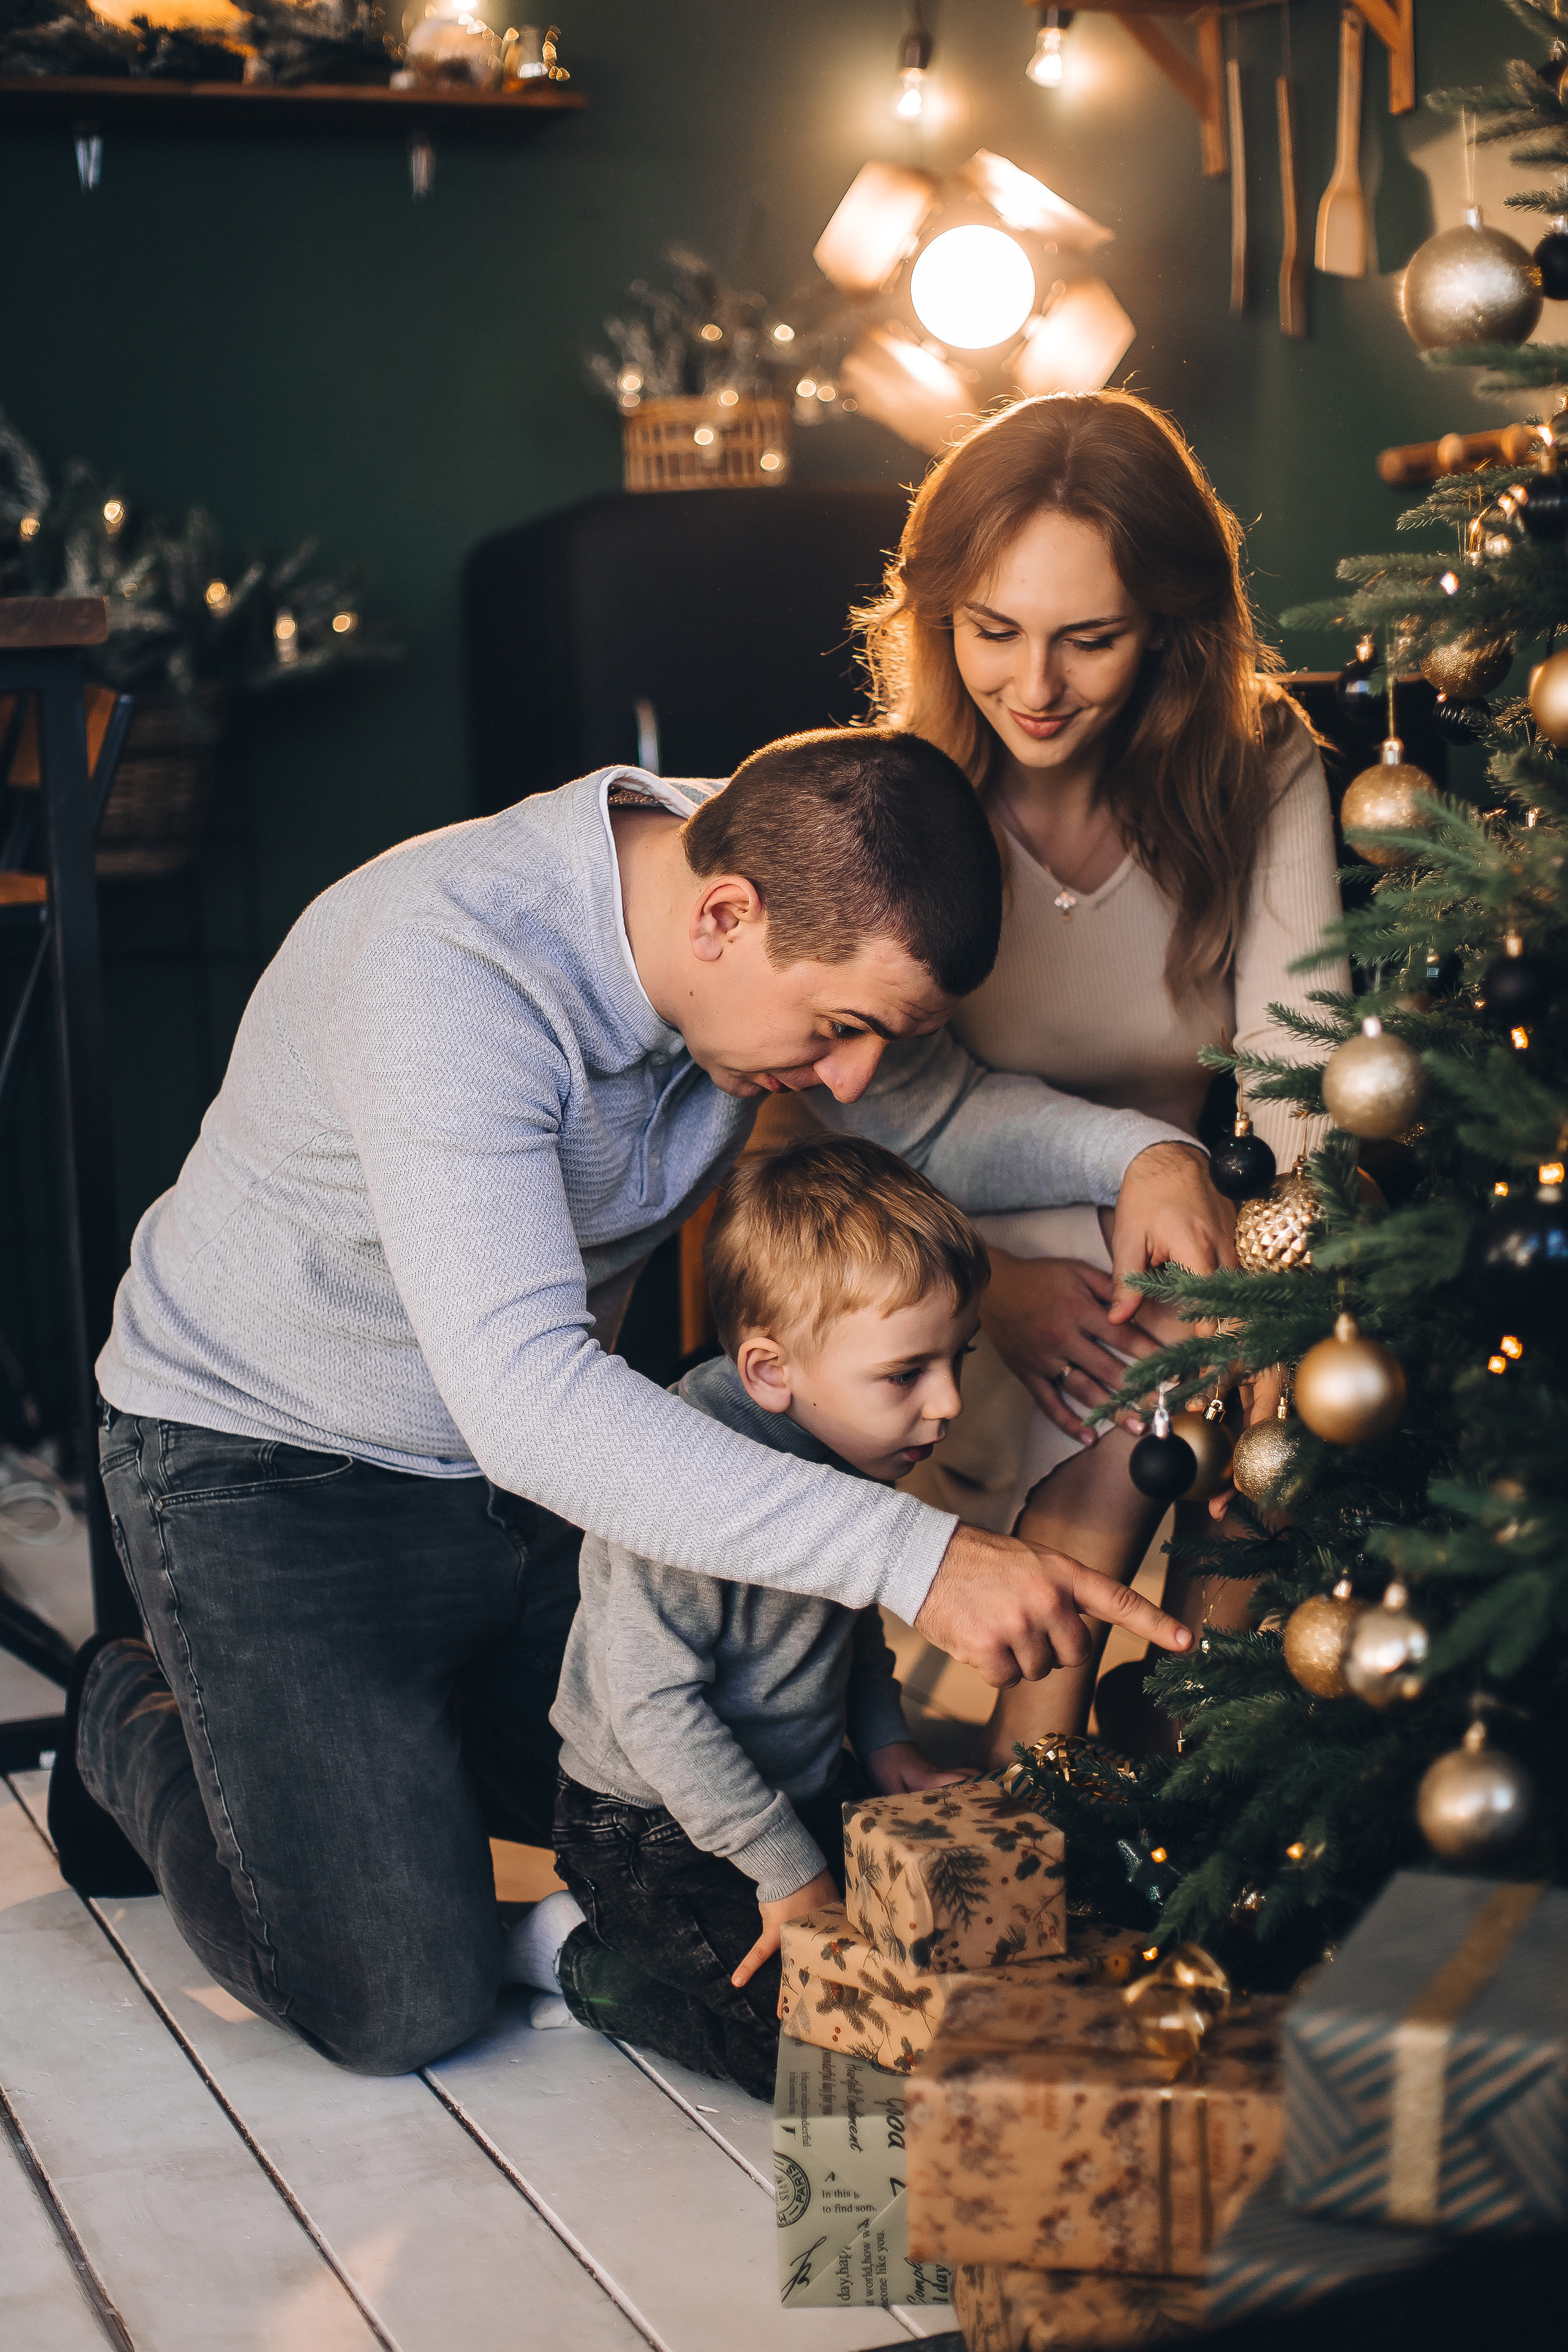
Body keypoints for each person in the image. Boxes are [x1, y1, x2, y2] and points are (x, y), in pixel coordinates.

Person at [61, 723, 1216, 2077]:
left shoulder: (777, 881)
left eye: (872, 1040)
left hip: (512, 1489)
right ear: (723, 916)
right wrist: (920, 1556)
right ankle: (128, 1708)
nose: (848, 1083)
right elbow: (531, 1397)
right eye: (837, 1033)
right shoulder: (448, 970)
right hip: (263, 1472)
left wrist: (1144, 1152)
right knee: (401, 1997)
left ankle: (382, 1739)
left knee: (738, 1818)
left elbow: (937, 1115)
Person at [853, 393, 1349, 1757]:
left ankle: (1113, 1756)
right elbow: (850, 1124)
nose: (1034, 686)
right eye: (993, 632)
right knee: (1132, 1336)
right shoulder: (893, 795)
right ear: (938, 619)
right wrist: (985, 1285)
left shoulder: (1257, 759)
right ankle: (1039, 1767)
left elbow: (1300, 1077)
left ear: (1173, 633)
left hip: (1193, 1238)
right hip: (944, 1255)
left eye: (1091, 640)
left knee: (1197, 1343)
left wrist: (1261, 1291)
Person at [510, 1136, 979, 2098]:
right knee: (834, 2049)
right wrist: (788, 1874)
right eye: (909, 1374)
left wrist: (885, 1744)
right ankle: (577, 1959)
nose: (951, 1403)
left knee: (960, 1948)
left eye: (957, 1359)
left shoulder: (842, 1433)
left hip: (797, 1787)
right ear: (772, 1370)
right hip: (649, 1831)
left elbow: (853, 1625)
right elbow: (655, 1712)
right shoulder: (682, 1480)